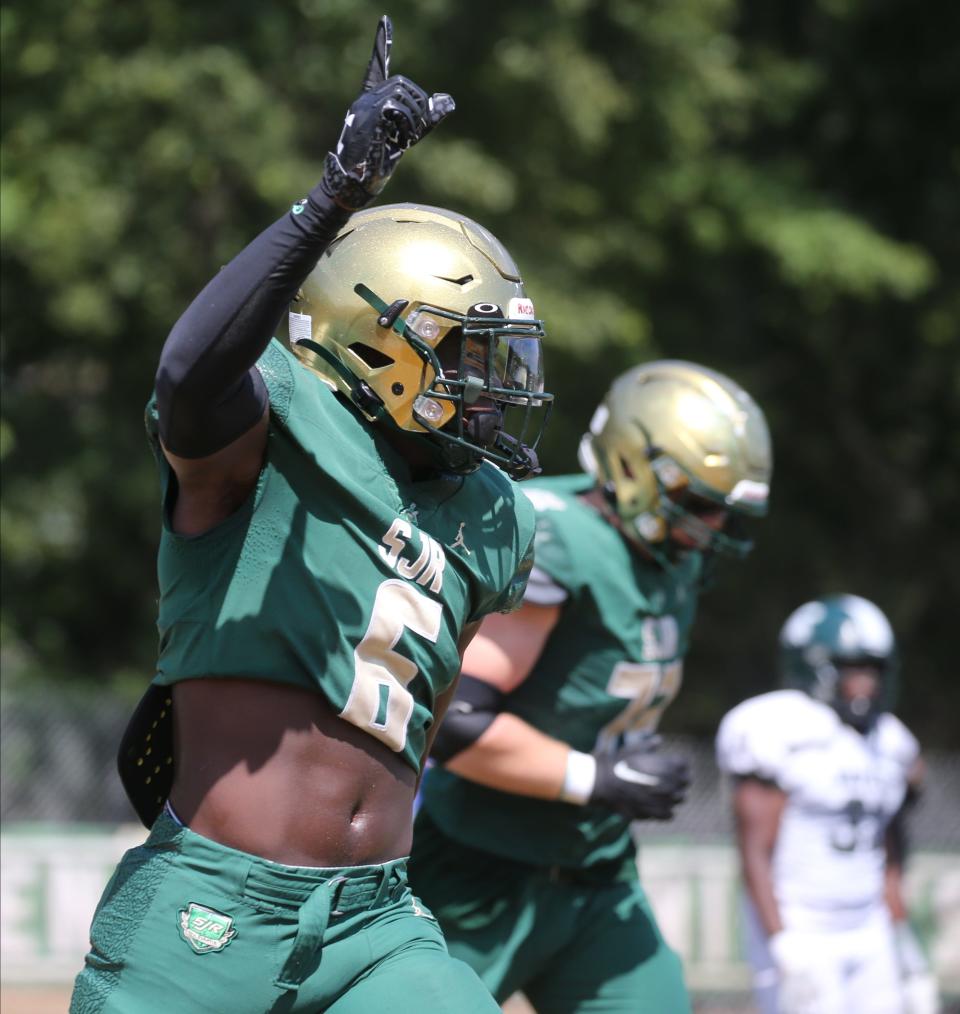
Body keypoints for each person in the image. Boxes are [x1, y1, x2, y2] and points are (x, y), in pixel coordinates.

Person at [70, 17, 553, 1014]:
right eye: (469, 362)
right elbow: (188, 373)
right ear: (377, 347)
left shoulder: (492, 514)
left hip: (379, 926)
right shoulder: (272, 437)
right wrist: (338, 193)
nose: (495, 395)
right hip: (210, 916)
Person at [408, 360, 773, 1013]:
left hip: (597, 872)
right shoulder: (559, 538)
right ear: (633, 470)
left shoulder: (668, 556)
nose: (709, 528)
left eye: (718, 510)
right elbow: (456, 721)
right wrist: (596, 779)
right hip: (480, 870)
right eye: (695, 504)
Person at [715, 593, 940, 1014]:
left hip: (867, 928)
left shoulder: (890, 740)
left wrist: (904, 944)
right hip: (804, 926)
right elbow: (754, 850)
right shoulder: (783, 728)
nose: (867, 683)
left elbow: (886, 851)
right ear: (816, 665)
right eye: (855, 668)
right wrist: (782, 942)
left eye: (874, 670)